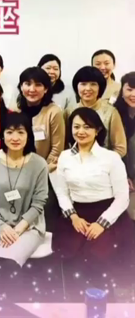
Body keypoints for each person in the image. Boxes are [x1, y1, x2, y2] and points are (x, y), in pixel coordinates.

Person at [51, 107, 130, 290]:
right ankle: (74, 300)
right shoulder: (64, 157)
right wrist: (73, 217)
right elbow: (62, 192)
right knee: (71, 256)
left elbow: (122, 197)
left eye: (87, 127)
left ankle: (104, 300)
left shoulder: (111, 158)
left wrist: (102, 224)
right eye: (76, 126)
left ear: (97, 130)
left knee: (96, 255)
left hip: (108, 214)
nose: (81, 131)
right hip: (77, 215)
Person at [0, 112, 48, 292]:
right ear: (2, 135)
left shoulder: (39, 164)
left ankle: (13, 304)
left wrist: (18, 229)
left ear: (28, 135)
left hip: (28, 227)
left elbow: (39, 202)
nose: (15, 138)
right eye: (9, 132)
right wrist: (2, 227)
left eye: (20, 132)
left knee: (10, 266)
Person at [15, 67, 64, 232]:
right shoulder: (15, 110)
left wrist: (39, 172)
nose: (32, 89)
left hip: (46, 172)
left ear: (46, 89)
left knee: (46, 207)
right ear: (21, 86)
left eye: (38, 84)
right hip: (17, 170)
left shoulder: (53, 112)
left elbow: (57, 148)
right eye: (27, 84)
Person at [67, 66, 126, 157]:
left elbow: (120, 148)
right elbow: (65, 144)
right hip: (75, 162)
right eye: (83, 84)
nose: (88, 88)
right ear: (76, 86)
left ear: (100, 87)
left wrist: (101, 162)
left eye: (93, 84)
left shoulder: (111, 112)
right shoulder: (69, 111)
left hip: (103, 163)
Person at [114, 72, 135, 216]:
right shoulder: (114, 114)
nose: (133, 94)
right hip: (121, 174)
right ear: (122, 90)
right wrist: (123, 175)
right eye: (129, 89)